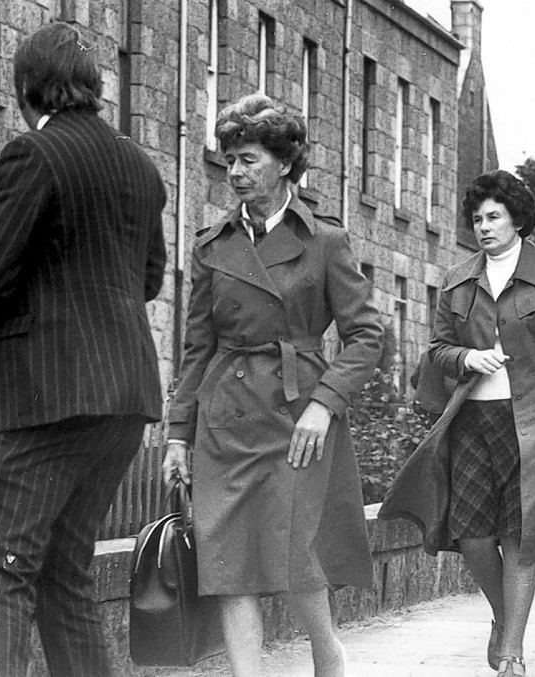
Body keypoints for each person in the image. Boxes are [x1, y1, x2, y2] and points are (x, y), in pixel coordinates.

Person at [0, 22, 166, 677]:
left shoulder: (32, 155)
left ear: (27, 89)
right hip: (122, 400)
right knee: (63, 573)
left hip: (47, 400)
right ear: (92, 87)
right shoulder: (139, 165)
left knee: (2, 565)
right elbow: (148, 277)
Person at [162, 93, 383, 677]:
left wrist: (324, 405)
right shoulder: (213, 246)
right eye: (230, 159)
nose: (235, 171)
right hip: (225, 418)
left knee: (296, 556)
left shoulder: (325, 241)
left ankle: (327, 654)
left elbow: (366, 336)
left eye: (249, 158)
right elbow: (195, 350)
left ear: (285, 164)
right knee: (228, 562)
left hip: (298, 419)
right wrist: (177, 436)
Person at [380, 170, 535, 677]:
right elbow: (435, 349)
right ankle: (505, 619)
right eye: (476, 219)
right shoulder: (457, 278)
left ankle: (512, 655)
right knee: (474, 534)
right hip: (473, 421)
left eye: (493, 216)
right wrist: (465, 358)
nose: (483, 226)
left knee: (520, 537)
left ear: (517, 219)